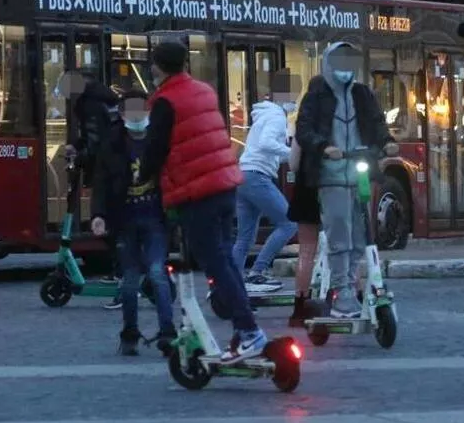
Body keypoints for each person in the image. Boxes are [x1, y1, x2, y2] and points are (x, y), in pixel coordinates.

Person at [138, 40, 267, 361]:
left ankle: (250, 330)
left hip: (197, 192)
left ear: (158, 66)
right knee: (225, 259)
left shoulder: (165, 101)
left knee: (215, 262)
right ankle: (243, 329)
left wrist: (142, 178)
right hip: (224, 185)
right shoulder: (204, 91)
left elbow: (155, 149)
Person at [295, 43, 397, 319]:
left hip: (360, 172)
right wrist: (323, 146)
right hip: (330, 174)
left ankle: (352, 283)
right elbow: (303, 130)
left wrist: (387, 142)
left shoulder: (363, 93)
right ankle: (342, 291)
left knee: (361, 234)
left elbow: (377, 123)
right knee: (339, 231)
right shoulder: (316, 94)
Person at [89, 90, 176, 356]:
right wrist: (98, 215)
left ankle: (168, 332)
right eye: (133, 111)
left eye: (143, 111)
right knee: (129, 280)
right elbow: (101, 183)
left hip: (155, 219)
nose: (139, 117)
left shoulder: (160, 141)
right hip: (125, 220)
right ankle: (130, 332)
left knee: (158, 274)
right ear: (124, 115)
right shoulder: (112, 143)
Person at [59, 71, 127, 308]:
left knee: (106, 223)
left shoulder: (90, 104)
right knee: (109, 223)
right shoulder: (102, 98)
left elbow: (97, 140)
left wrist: (81, 156)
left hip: (107, 168)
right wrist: (77, 146)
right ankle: (122, 271)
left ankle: (124, 277)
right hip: (112, 166)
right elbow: (93, 137)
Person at [231, 71, 299, 292]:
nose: (294, 101)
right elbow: (266, 144)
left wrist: (286, 156)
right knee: (289, 223)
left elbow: (266, 149)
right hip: (256, 176)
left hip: (243, 175)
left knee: (245, 237)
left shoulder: (265, 114)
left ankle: (231, 282)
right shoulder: (277, 117)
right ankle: (258, 271)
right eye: (292, 96)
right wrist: (294, 153)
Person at [286, 133, 325, 327]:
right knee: (342, 248)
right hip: (334, 187)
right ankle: (353, 297)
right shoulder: (338, 122)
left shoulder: (304, 128)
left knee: (306, 251)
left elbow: (293, 164)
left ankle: (300, 307)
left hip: (306, 189)